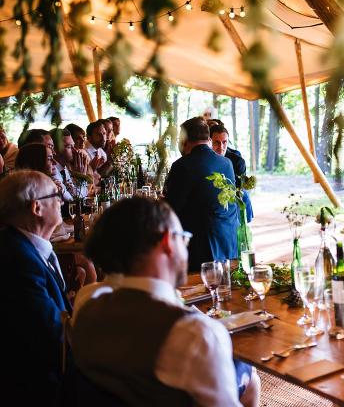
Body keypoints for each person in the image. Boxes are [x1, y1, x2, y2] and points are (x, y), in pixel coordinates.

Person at [70, 197, 259, 406]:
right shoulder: (195, 334)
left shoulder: (86, 303)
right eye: (184, 239)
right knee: (248, 371)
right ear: (168, 242)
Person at [0, 170, 70, 404]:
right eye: (55, 195)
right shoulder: (17, 259)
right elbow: (52, 331)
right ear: (36, 207)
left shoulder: (24, 246)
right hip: (38, 388)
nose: (61, 201)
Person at [164, 117, 238, 271]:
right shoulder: (227, 163)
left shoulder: (182, 166)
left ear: (184, 140)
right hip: (229, 242)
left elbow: (171, 209)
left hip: (200, 250)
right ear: (208, 139)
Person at [210, 124, 253, 222]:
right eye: (216, 142)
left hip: (235, 207)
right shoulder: (204, 160)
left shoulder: (238, 161)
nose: (221, 147)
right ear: (209, 141)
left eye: (224, 142)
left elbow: (239, 191)